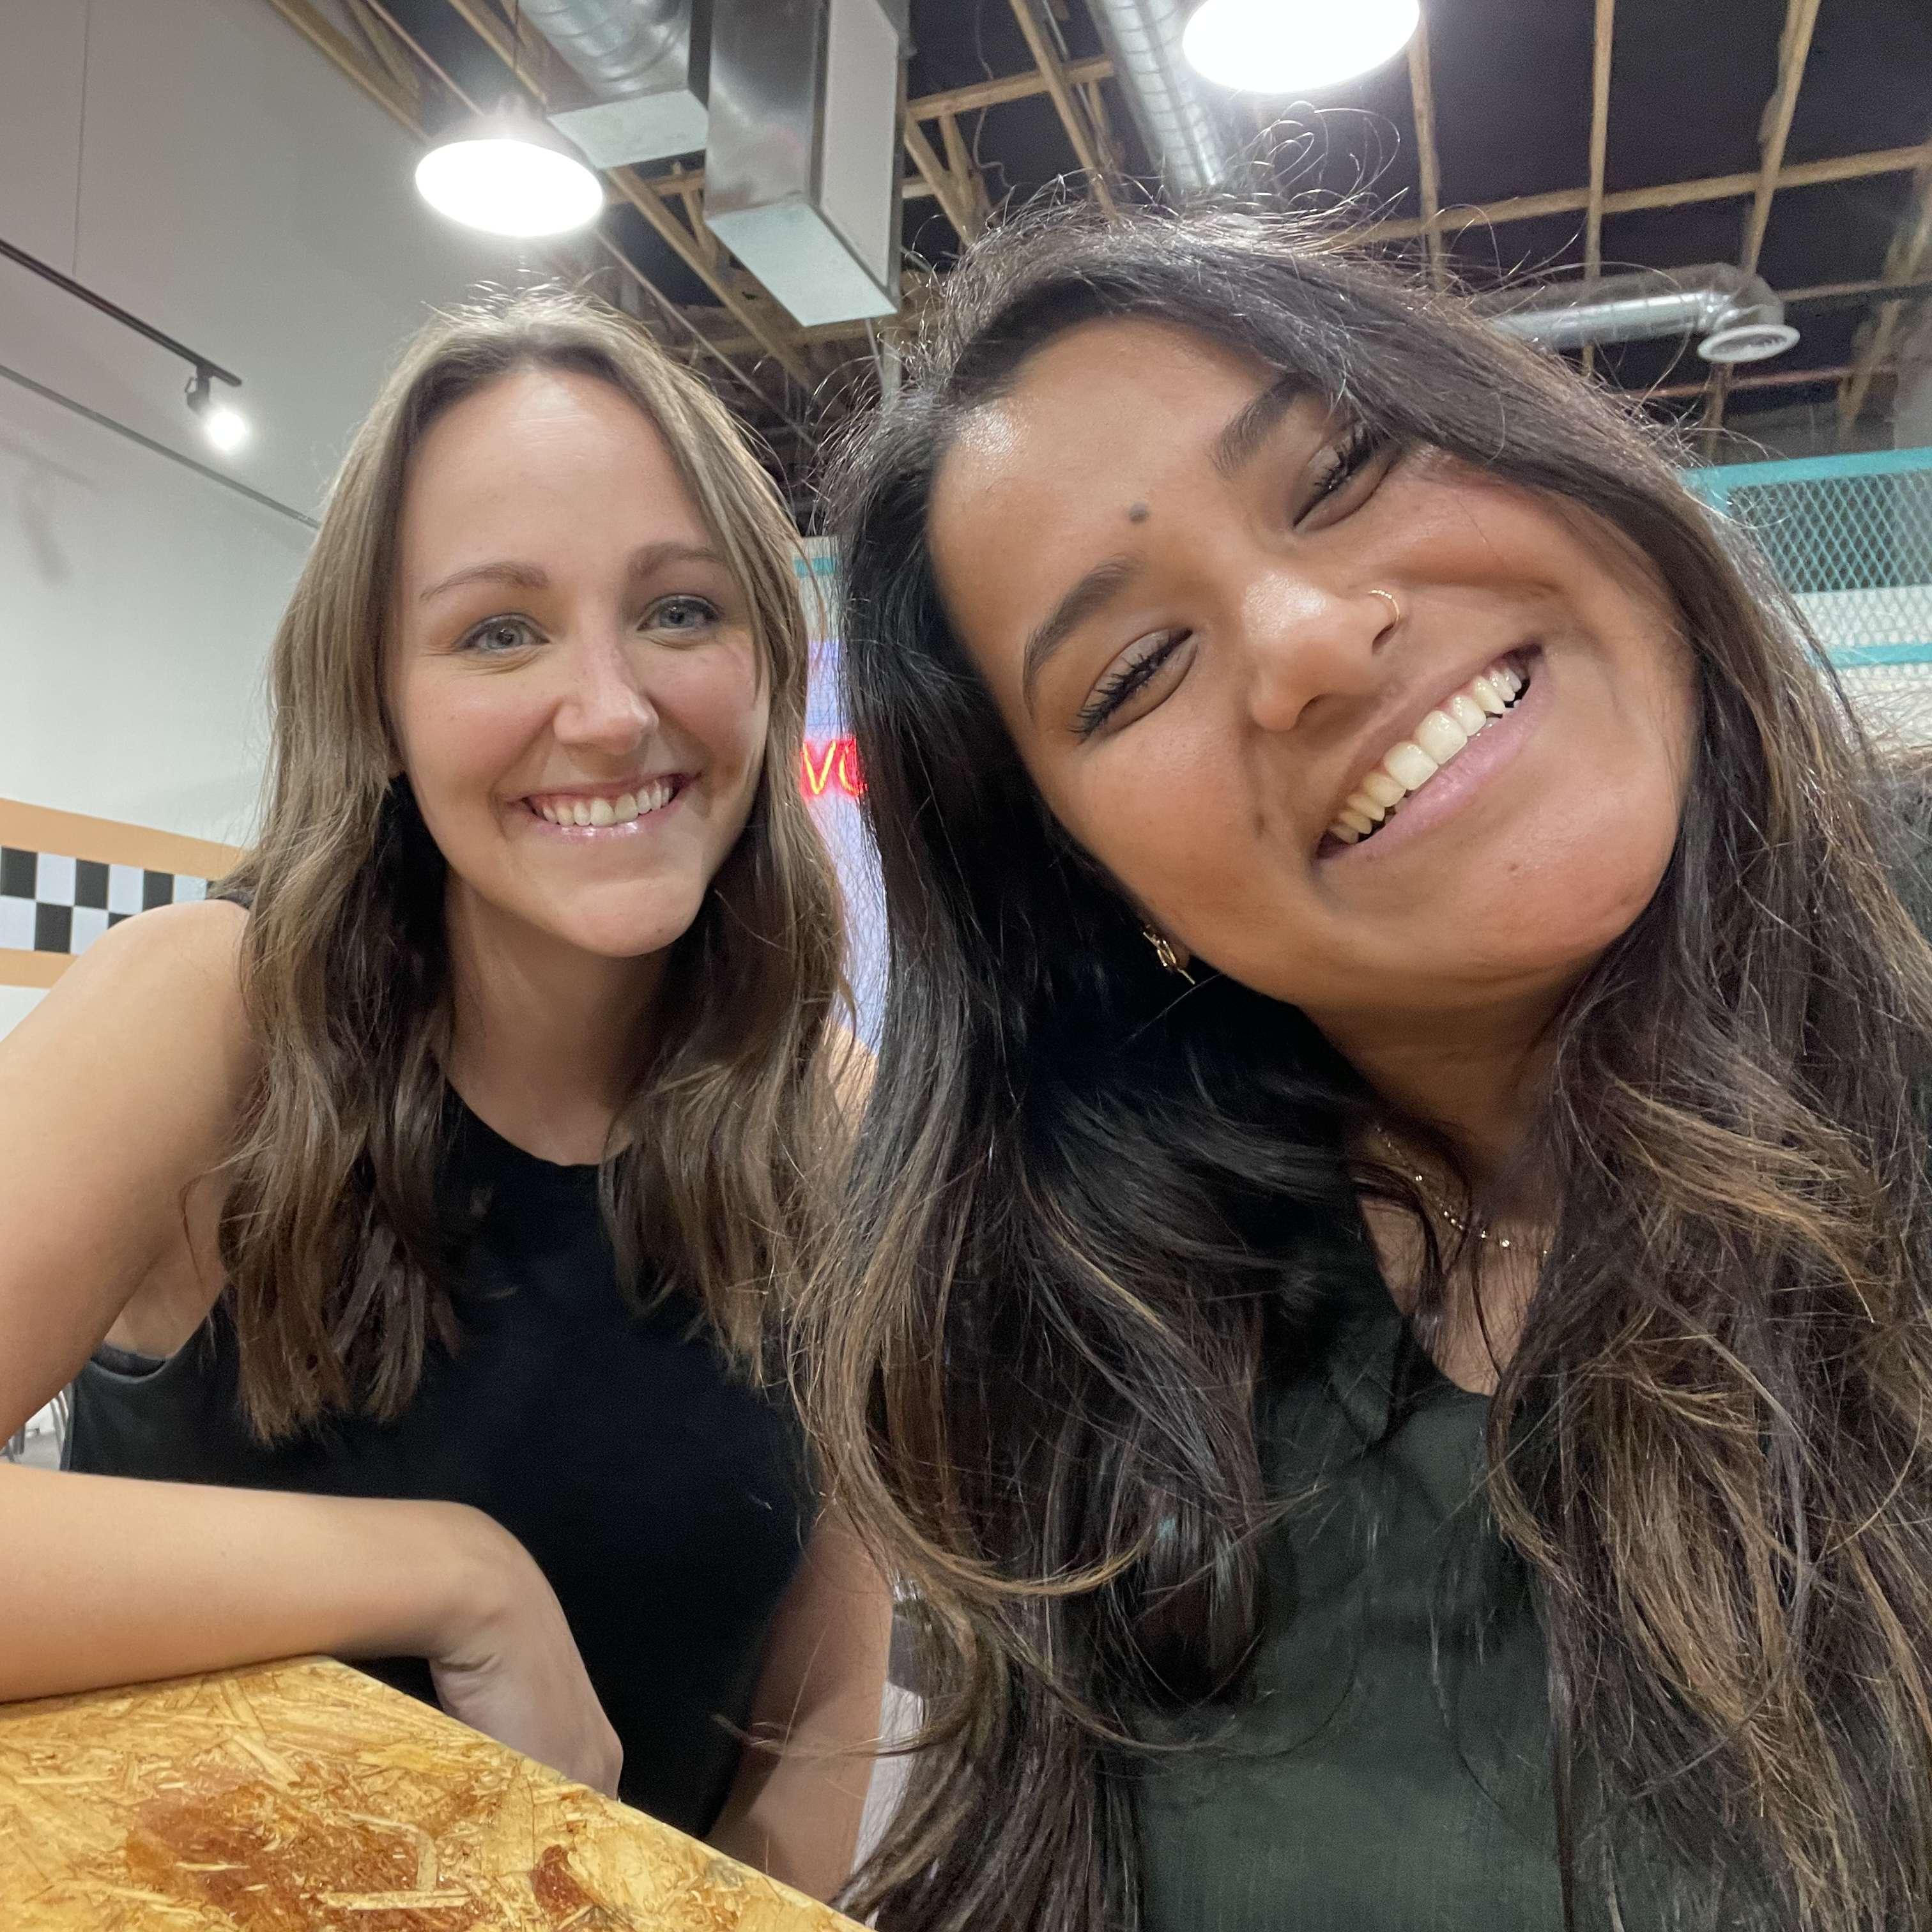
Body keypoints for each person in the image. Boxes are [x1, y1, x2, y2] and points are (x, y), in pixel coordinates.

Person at [799, 204, 1932, 1932]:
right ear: (1094, 890)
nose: (1314, 640)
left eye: (1343, 472)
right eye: (1137, 671)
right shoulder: (1110, 1351)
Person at [0, 291, 889, 1901]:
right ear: (382, 707)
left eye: (680, 610)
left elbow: (821, 1705)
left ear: (768, 660)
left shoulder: (824, 1112)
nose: (609, 708)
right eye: (499, 631)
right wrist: (448, 1574)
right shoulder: (211, 1020)